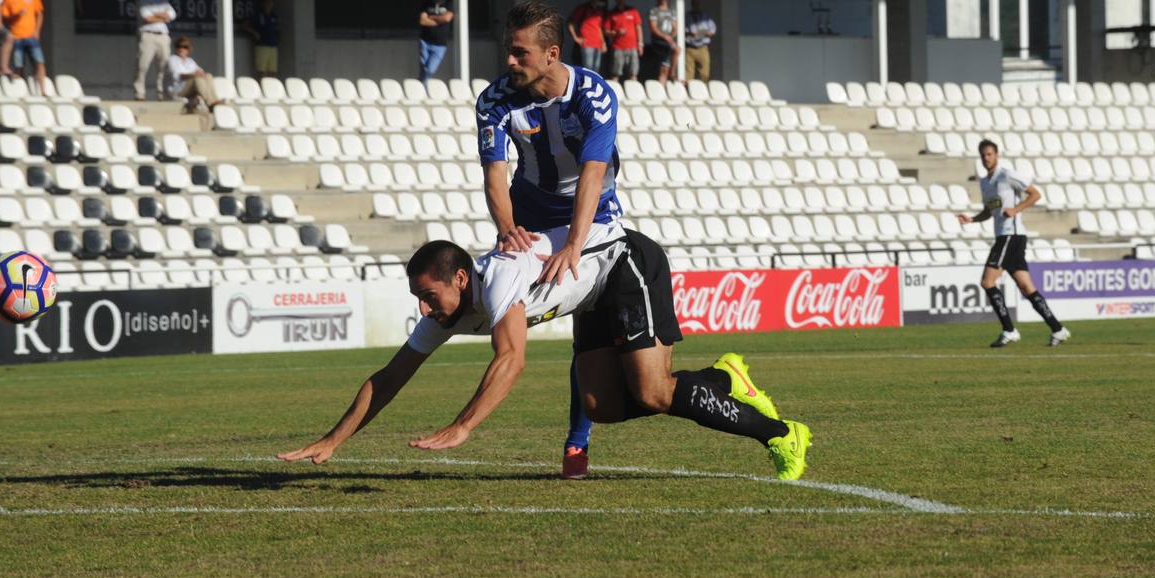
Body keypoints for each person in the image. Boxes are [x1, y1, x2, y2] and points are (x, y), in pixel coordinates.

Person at [277, 226, 812, 481]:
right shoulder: (448, 310)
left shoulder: (501, 279)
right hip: (590, 293)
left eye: (428, 295)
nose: (422, 308)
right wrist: (332, 440)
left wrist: (464, 426)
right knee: (603, 406)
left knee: (652, 392)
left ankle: (784, 434)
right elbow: (389, 376)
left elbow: (511, 358)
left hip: (626, 264)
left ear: (460, 279)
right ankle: (721, 380)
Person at [476, 0, 621, 480]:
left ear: (552, 53)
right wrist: (506, 228)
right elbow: (496, 175)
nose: (509, 62)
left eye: (520, 53)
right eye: (508, 51)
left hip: (592, 215)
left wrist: (575, 246)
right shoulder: (495, 100)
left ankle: (577, 442)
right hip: (533, 219)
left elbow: (593, 174)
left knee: (591, 335)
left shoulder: (593, 95)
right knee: (512, 309)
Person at [957, 138, 1071, 347]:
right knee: (1027, 288)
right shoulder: (985, 183)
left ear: (996, 155)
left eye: (989, 154)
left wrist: (1016, 209)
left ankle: (1009, 330)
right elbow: (988, 212)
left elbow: (1035, 194)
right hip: (1005, 236)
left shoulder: (1006, 175)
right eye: (983, 155)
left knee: (987, 282)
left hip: (1011, 235)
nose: (986, 158)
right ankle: (1058, 329)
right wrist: (972, 219)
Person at [0, 0, 46, 94]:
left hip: (31, 35)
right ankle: (20, 92)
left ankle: (42, 91)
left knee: (39, 62)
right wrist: (16, 15)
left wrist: (37, 31)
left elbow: (40, 14)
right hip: (17, 36)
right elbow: (5, 17)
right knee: (18, 65)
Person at [133, 0, 176, 100]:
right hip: (148, 35)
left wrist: (155, 14)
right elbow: (146, 17)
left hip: (163, 35)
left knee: (164, 66)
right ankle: (139, 93)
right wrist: (163, 16)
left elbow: (172, 15)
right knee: (142, 65)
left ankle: (161, 93)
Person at [164, 36, 225, 114]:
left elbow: (200, 71)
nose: (181, 49)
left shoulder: (190, 61)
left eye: (184, 47)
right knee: (197, 79)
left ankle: (214, 100)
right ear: (175, 48)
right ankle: (210, 103)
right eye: (178, 46)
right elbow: (177, 76)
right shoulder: (172, 60)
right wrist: (194, 74)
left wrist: (201, 74)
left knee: (208, 76)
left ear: (188, 49)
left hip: (189, 88)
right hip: (177, 89)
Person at [602, 0, 643, 83]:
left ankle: (634, 95)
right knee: (615, 73)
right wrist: (616, 32)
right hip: (618, 47)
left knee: (633, 73)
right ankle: (616, 94)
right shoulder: (611, 13)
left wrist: (640, 44)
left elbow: (638, 28)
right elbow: (605, 31)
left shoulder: (633, 11)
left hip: (633, 46)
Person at [417, 0, 454, 82]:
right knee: (423, 68)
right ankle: (423, 89)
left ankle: (422, 84)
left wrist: (431, 17)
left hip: (440, 45)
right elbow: (423, 21)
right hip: (425, 41)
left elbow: (447, 18)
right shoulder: (427, 4)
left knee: (430, 69)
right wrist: (439, 20)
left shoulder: (448, 5)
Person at [567, 0, 607, 71]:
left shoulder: (600, 10)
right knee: (588, 68)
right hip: (586, 43)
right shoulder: (583, 8)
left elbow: (599, 27)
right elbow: (570, 23)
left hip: (598, 44)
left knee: (596, 68)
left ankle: (593, 84)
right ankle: (587, 83)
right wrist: (576, 38)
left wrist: (603, 42)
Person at [244, 0, 280, 79]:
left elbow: (278, 30)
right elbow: (245, 25)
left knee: (273, 72)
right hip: (262, 46)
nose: (269, 4)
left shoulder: (274, 16)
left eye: (271, 2)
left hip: (273, 46)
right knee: (261, 72)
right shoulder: (258, 15)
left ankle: (271, 90)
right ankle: (260, 90)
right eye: (267, 2)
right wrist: (254, 32)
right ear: (263, 3)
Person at [646, 0, 679, 83]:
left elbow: (675, 28)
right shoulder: (654, 11)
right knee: (663, 66)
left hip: (668, 42)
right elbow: (653, 27)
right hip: (658, 41)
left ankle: (672, 73)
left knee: (675, 52)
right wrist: (665, 37)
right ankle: (670, 75)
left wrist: (671, 36)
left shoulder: (672, 12)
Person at [684, 0, 717, 83]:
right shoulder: (687, 16)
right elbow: (690, 31)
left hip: (702, 48)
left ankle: (703, 91)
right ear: (692, 5)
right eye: (695, 4)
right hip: (690, 48)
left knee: (704, 73)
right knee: (689, 73)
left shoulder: (705, 16)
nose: (696, 6)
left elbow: (712, 30)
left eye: (698, 4)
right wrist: (702, 32)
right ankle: (688, 91)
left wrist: (701, 33)